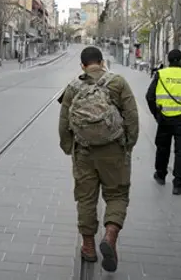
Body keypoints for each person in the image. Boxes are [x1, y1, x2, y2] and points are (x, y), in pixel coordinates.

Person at [57, 46, 139, 273]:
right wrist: (128, 144)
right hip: (114, 150)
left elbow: (64, 122)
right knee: (117, 194)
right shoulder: (118, 83)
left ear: (82, 65)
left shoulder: (73, 87)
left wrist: (68, 147)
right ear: (102, 62)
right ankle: (110, 236)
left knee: (86, 198)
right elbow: (132, 116)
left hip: (84, 152)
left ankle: (89, 246)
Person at [146, 49, 181, 195]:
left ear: (169, 60)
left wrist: (156, 114)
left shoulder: (161, 74)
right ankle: (178, 184)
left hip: (164, 118)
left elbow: (149, 96)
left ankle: (160, 174)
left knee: (162, 148)